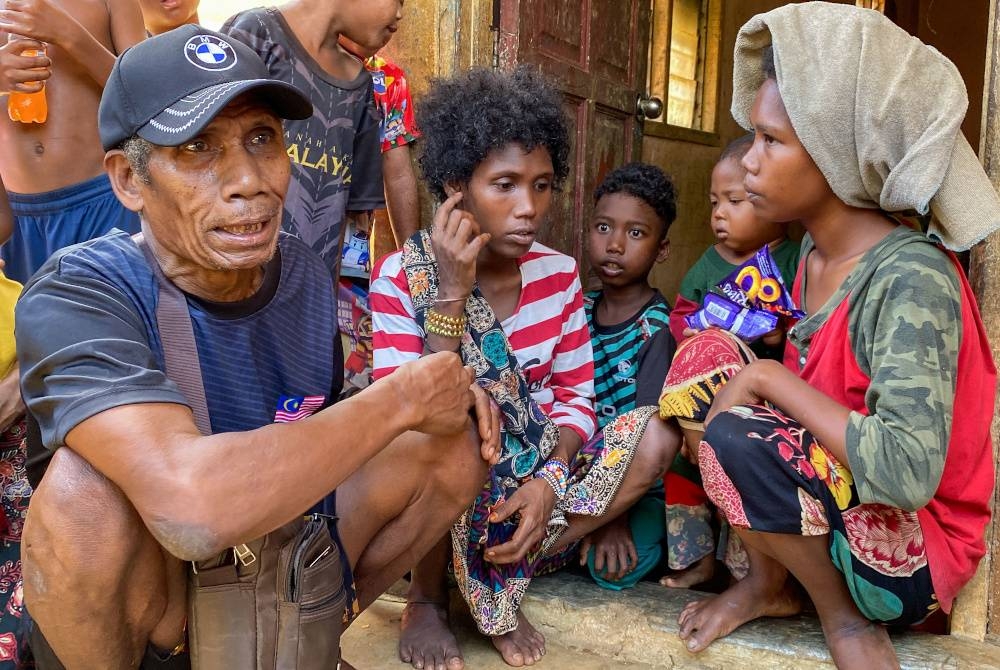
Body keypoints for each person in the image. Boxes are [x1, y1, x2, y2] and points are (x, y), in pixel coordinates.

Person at [16, 26, 499, 669]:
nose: (248, 180)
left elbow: (313, 428)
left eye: (262, 139)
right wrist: (403, 395)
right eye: (196, 148)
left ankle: (297, 644)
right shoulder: (79, 290)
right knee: (83, 498)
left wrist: (439, 400)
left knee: (451, 443)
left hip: (260, 568)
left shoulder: (297, 272)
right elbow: (189, 508)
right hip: (158, 607)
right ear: (129, 182)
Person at [666, 5, 998, 668]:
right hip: (833, 500)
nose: (749, 162)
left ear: (835, 155)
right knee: (698, 362)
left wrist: (767, 380)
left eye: (770, 141)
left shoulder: (912, 279)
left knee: (739, 426)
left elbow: (904, 473)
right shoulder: (803, 262)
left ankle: (844, 619)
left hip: (909, 546)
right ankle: (770, 585)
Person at [370, 67, 680, 669]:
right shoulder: (401, 279)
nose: (528, 209)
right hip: (451, 483)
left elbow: (576, 399)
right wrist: (452, 295)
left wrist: (549, 483)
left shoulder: (558, 274)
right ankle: (431, 597)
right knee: (449, 429)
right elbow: (405, 419)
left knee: (653, 435)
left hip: (537, 478)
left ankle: (508, 562)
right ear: (457, 186)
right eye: (505, 185)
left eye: (541, 186)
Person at [221, 0, 395, 280]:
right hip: (238, 282)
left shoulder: (359, 86)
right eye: (398, 1)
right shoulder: (258, 36)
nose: (399, 14)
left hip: (312, 295)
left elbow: (348, 218)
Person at [579, 162, 677, 591]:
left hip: (635, 489)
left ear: (661, 250)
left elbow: (645, 441)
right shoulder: (576, 310)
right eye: (603, 227)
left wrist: (610, 519)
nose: (614, 245)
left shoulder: (656, 330)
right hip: (574, 470)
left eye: (635, 233)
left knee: (611, 569)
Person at [0, 0, 145, 283]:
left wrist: (69, 34)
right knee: (27, 322)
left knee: (111, 315)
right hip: (13, 219)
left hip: (104, 199)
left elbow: (144, 96)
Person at [337, 30, 422, 393]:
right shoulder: (285, 60)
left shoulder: (387, 80)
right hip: (284, 242)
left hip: (349, 255)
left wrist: (414, 260)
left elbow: (398, 170)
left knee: (351, 363)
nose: (397, 16)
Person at [668, 132, 799, 358]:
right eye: (714, 202)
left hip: (772, 383)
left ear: (777, 201)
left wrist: (781, 336)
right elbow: (681, 314)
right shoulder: (710, 263)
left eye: (735, 201)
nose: (718, 213)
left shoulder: (796, 261)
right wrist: (689, 334)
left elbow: (811, 330)